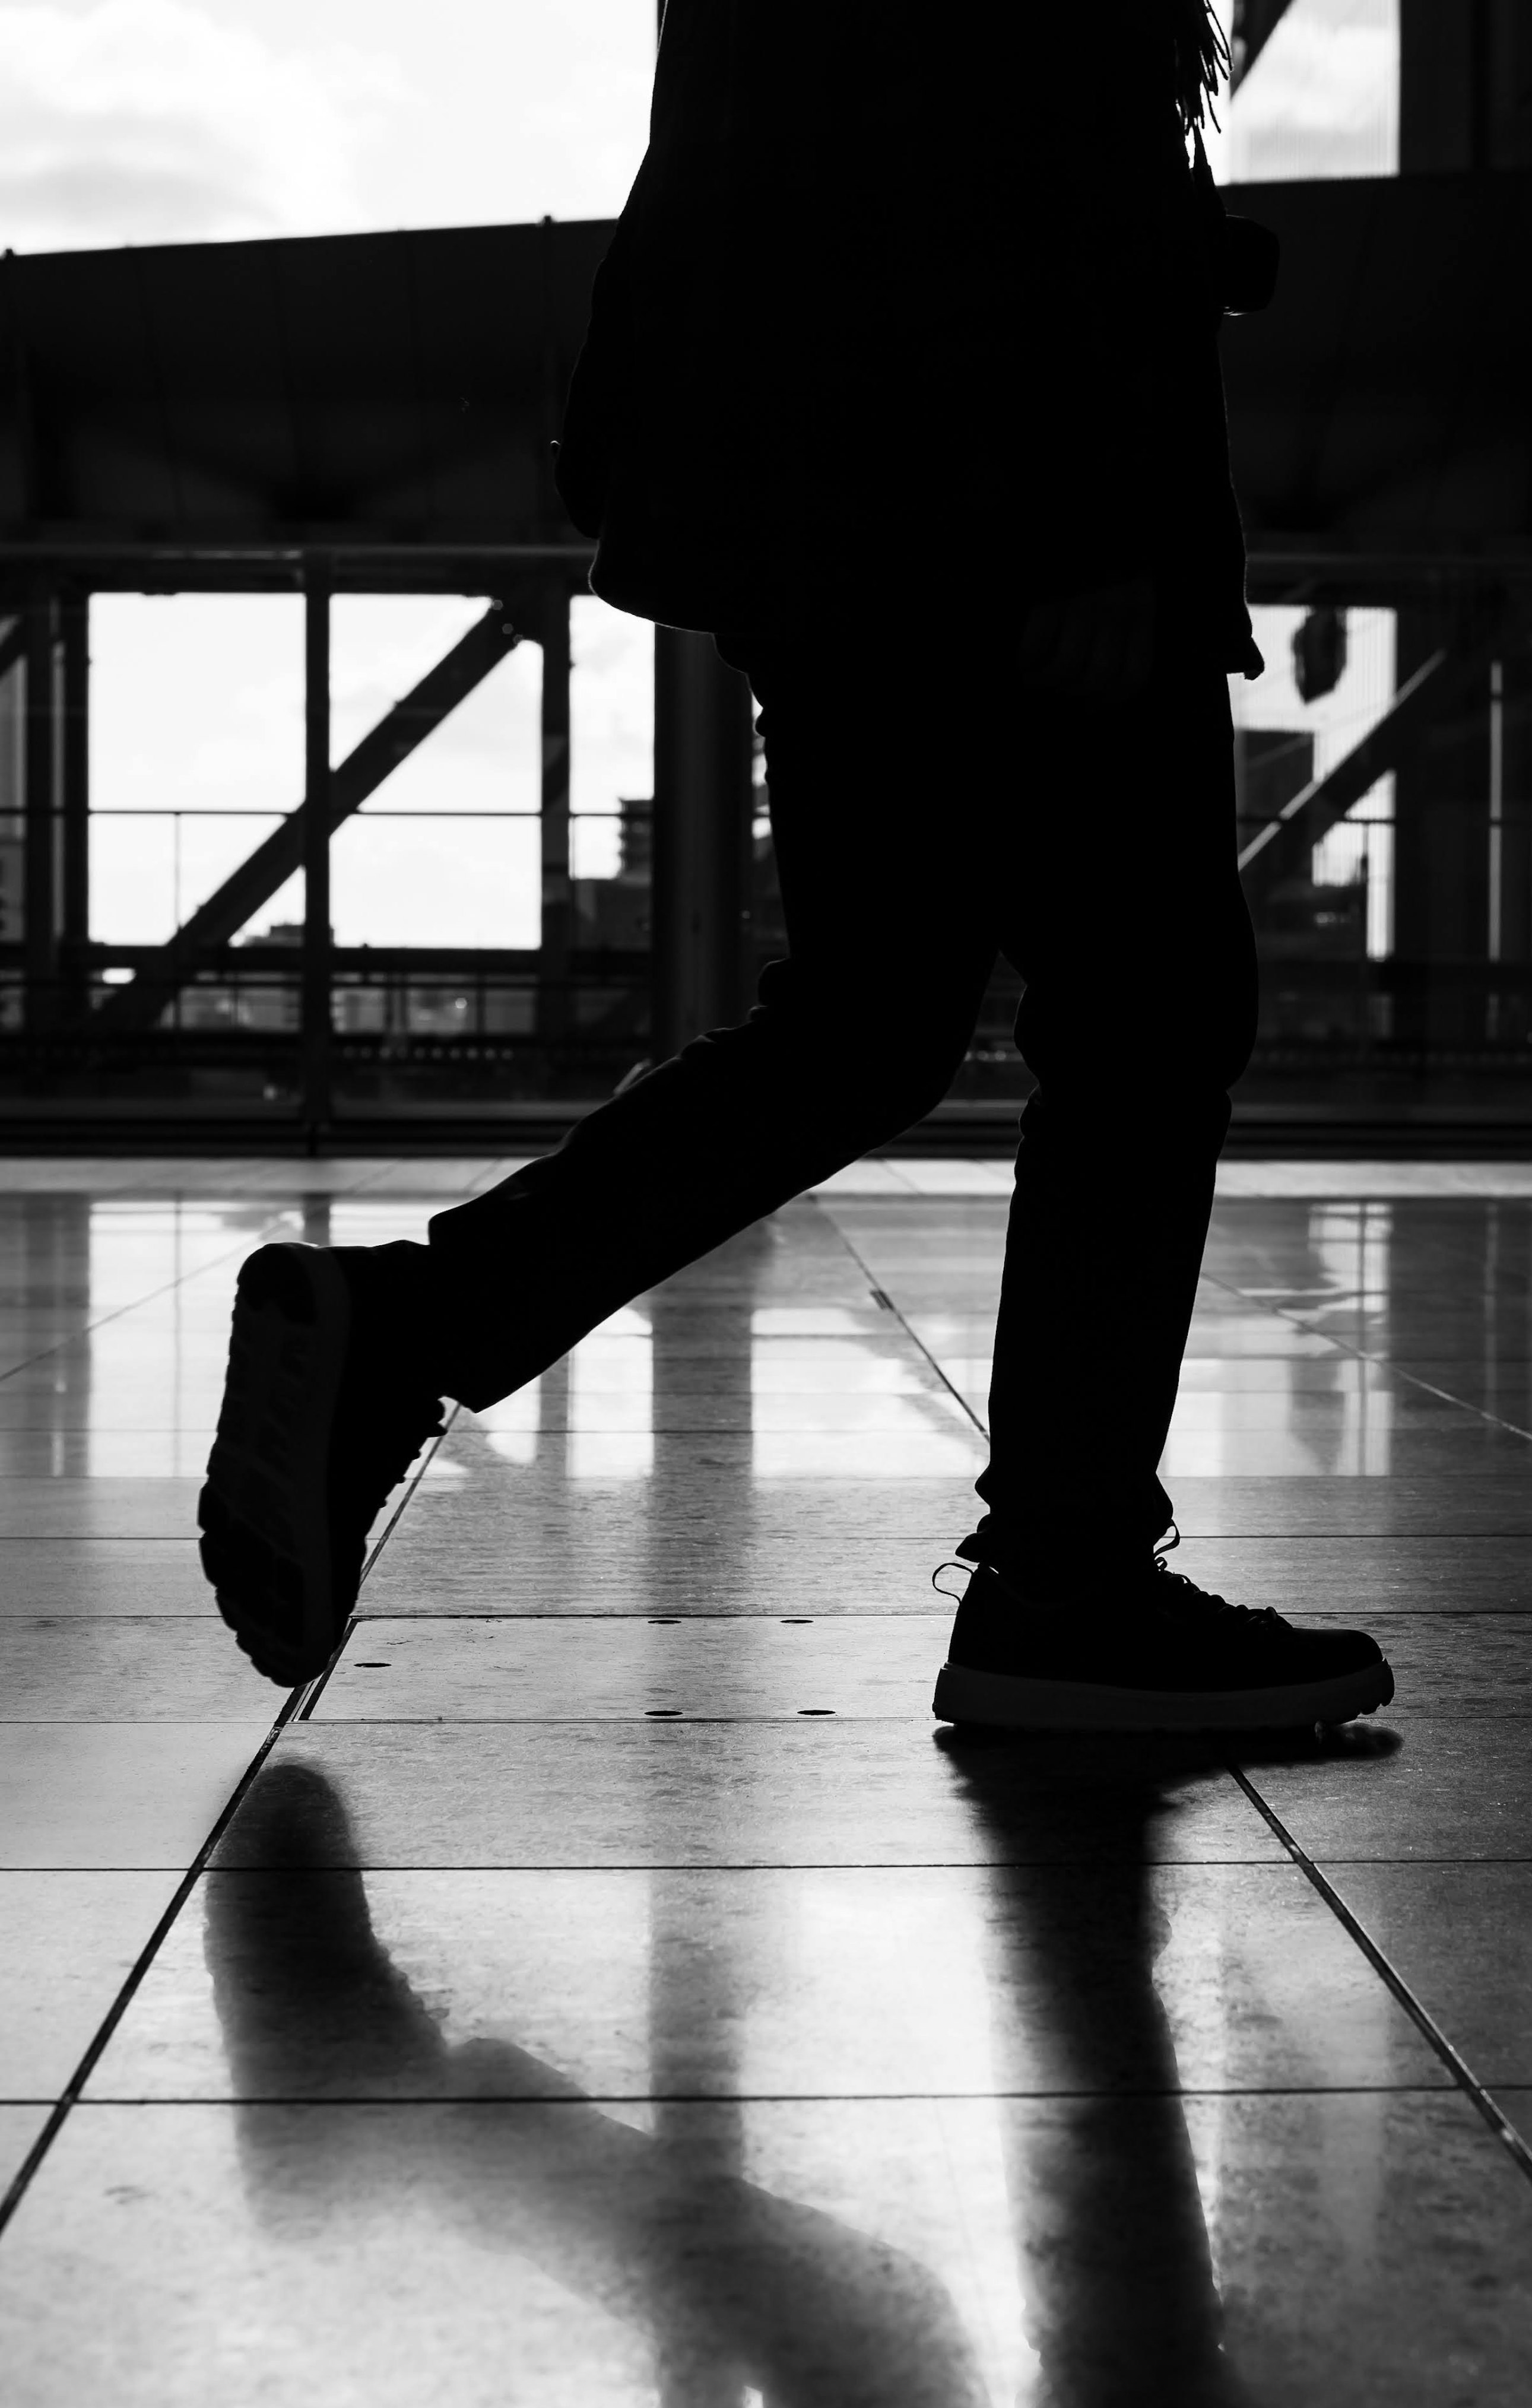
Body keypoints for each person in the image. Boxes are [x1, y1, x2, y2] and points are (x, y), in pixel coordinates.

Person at [197, 0, 1393, 1734]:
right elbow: (1011, 126)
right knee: (1147, 1007)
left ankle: (411, 1327)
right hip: (997, 484)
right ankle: (1065, 1582)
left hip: (833, 462)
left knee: (873, 1018)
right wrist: (1094, 514)